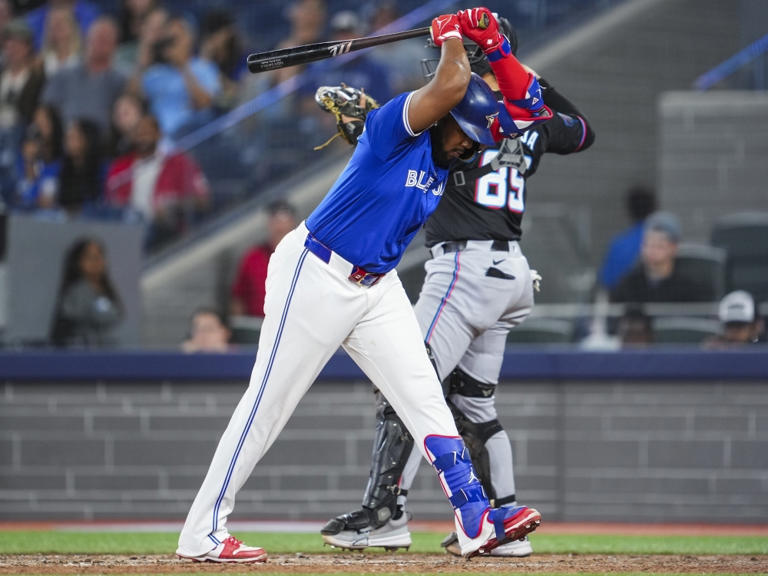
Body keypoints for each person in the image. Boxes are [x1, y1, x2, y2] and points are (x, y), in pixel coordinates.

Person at [176, 8, 551, 563]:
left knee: (425, 400)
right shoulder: (394, 125)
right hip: (315, 274)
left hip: (375, 287)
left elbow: (530, 108)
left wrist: (493, 43)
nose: (473, 148)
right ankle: (202, 531)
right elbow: (449, 83)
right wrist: (452, 33)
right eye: (467, 135)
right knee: (267, 406)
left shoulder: (450, 149)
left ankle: (474, 519)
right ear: (444, 116)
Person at [317, 16, 594, 558]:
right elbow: (583, 130)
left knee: (406, 384)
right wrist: (513, 66)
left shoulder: (457, 109)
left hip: (463, 269)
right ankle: (504, 521)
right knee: (473, 405)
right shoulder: (526, 119)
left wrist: (370, 123)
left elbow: (412, 148)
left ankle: (383, 514)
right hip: (511, 273)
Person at [104, 111, 210, 249]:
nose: (143, 137)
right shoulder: (120, 168)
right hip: (129, 232)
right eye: (139, 132)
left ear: (159, 134)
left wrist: (172, 204)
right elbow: (110, 203)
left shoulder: (178, 162)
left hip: (168, 231)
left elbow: (203, 200)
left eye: (147, 131)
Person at [138, 14, 221, 139]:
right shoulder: (155, 73)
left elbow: (206, 104)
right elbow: (132, 98)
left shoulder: (204, 68)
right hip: (159, 142)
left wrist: (183, 66)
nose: (171, 46)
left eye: (175, 40)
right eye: (168, 41)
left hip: (193, 138)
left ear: (189, 39)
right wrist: (143, 57)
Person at [41, 15, 125, 134]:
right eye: (96, 38)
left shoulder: (119, 80)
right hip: (66, 139)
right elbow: (45, 108)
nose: (99, 44)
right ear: (87, 40)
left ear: (114, 45)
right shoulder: (65, 73)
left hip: (103, 143)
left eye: (105, 40)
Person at [610, 211, 710, 304]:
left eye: (659, 246)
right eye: (647, 244)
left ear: (674, 248)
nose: (651, 251)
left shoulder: (690, 286)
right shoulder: (629, 285)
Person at [0, 19, 45, 203]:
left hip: (20, 129)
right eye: (9, 45)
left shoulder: (36, 77)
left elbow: (33, 110)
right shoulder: (2, 74)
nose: (13, 50)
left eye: (18, 45)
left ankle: (13, 195)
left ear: (27, 48)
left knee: (12, 142)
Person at [50, 236, 123, 347]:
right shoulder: (77, 292)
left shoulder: (107, 290)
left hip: (106, 349)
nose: (97, 262)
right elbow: (73, 317)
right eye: (91, 257)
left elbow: (115, 314)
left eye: (99, 257)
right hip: (82, 350)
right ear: (79, 262)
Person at [230, 200, 298, 318]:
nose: (280, 227)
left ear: (293, 225)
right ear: (269, 224)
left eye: (284, 223)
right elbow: (238, 296)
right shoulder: (253, 257)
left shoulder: (304, 257)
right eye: (276, 222)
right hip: (258, 325)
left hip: (293, 325)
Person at [598, 185, 657, 291]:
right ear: (654, 209)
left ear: (629, 210)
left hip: (624, 304)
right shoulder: (666, 245)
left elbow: (607, 281)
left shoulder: (618, 246)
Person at [57, 117, 103, 212]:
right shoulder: (63, 168)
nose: (68, 142)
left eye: (73, 137)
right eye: (67, 137)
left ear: (87, 140)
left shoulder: (101, 168)